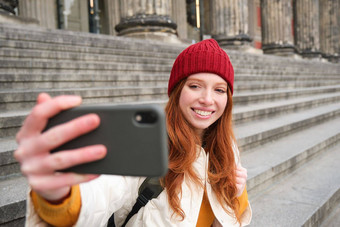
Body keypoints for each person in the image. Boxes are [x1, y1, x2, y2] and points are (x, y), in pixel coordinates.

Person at [15, 39, 251, 226]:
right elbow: (101, 192)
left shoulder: (225, 147)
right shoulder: (146, 143)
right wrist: (59, 196)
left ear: (228, 99)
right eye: (195, 85)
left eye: (219, 90)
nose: (207, 99)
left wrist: (237, 196)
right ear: (177, 91)